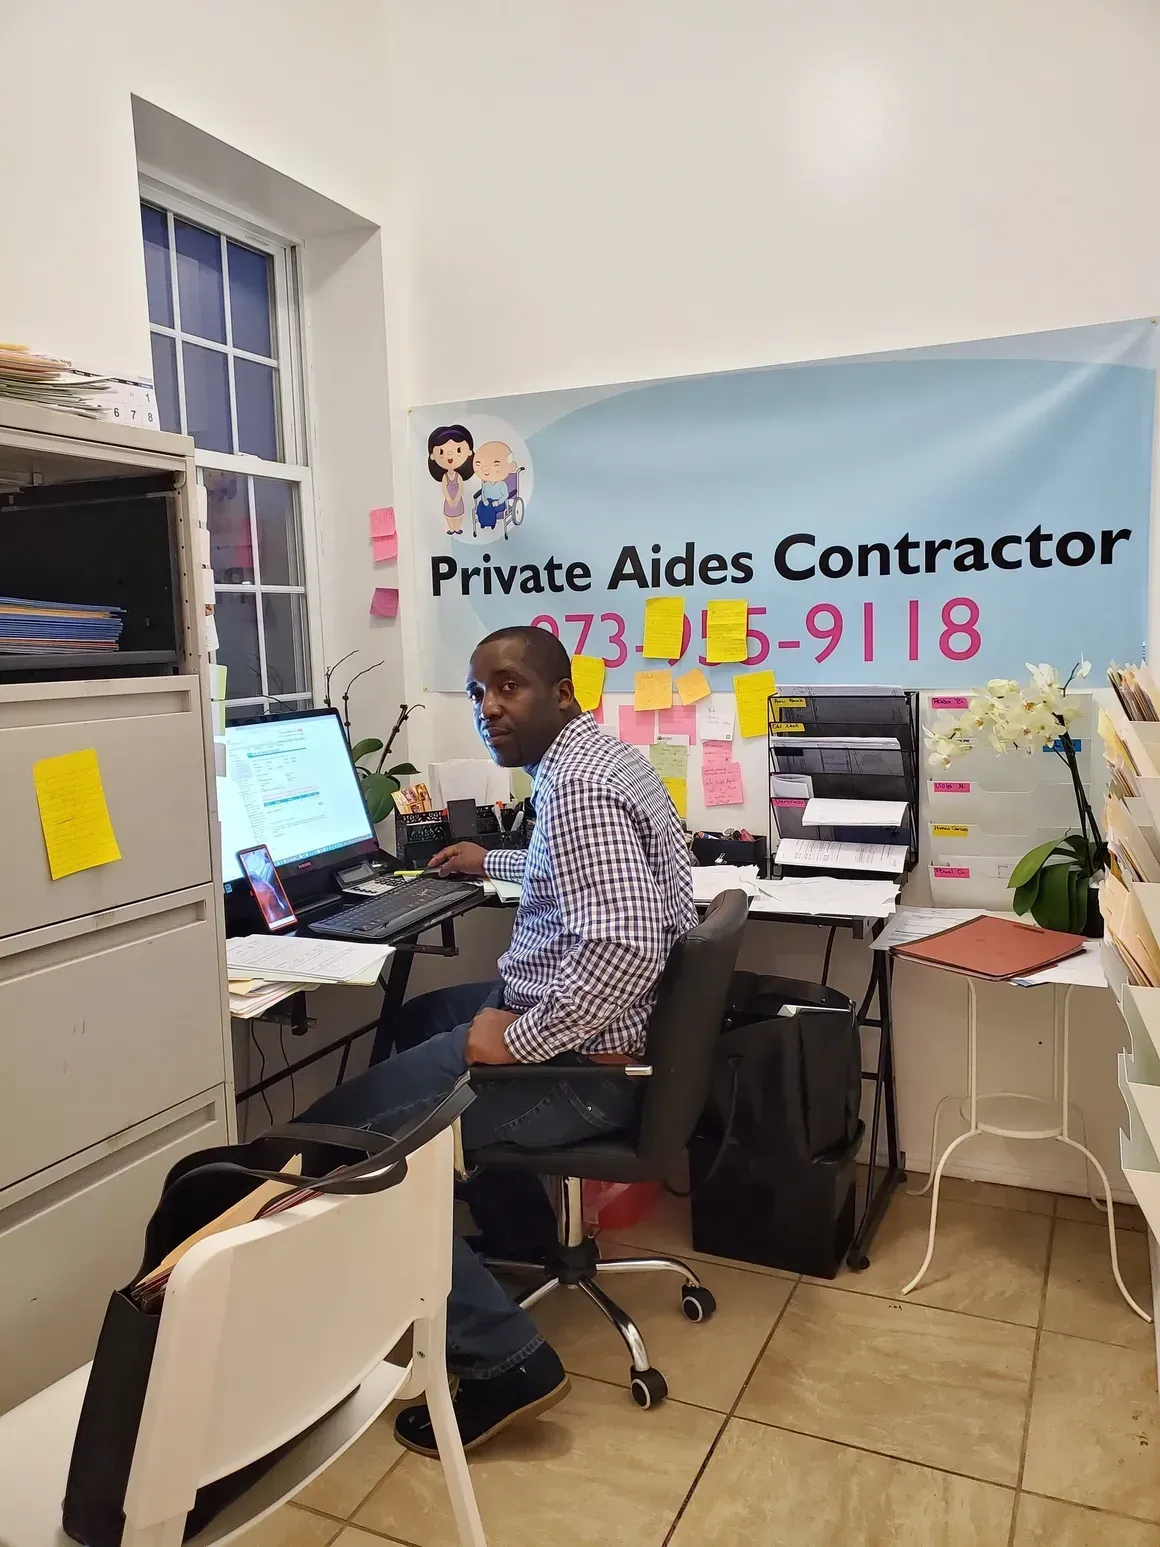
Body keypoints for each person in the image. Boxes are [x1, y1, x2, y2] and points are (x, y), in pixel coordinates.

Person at [298, 624, 696, 1457]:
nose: (488, 707)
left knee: (340, 1145)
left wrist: (520, 1040)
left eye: (508, 686)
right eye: (480, 690)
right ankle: (517, 1239)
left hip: (580, 1060)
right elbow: (591, 880)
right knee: (413, 1023)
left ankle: (506, 1359)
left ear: (562, 692)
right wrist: (500, 859)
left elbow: (625, 944)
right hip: (601, 1031)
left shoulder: (579, 786)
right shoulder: (599, 762)